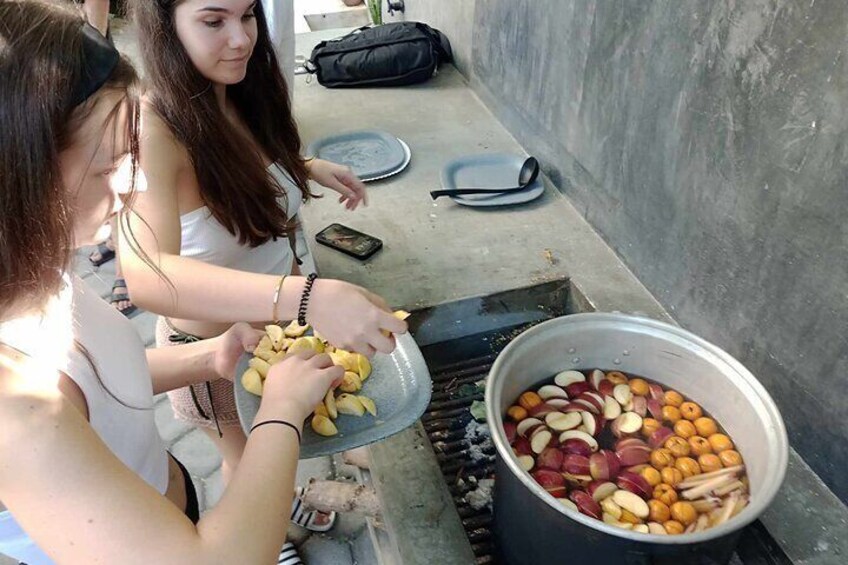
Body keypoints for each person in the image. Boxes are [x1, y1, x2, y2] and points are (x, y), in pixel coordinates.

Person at [0, 2, 372, 563]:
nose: (133, 185)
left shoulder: (42, 278)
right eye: (108, 168)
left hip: (175, 495)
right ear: (18, 179)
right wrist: (280, 410)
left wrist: (208, 360)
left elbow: (97, 382)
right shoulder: (17, 413)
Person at [123, 0, 404, 550]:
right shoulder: (151, 130)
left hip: (285, 334)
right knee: (249, 469)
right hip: (222, 357)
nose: (241, 39)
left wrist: (301, 170)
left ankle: (288, 501)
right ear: (165, 27)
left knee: (290, 442)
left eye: (248, 15)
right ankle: (268, 542)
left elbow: (242, 169)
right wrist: (305, 297)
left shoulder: (238, 89)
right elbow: (145, 274)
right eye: (213, 21)